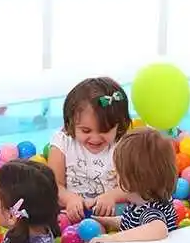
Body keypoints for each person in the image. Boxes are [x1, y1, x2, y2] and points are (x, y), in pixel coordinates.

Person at [47, 76, 132, 223]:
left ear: (119, 125)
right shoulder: (63, 142)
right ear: (70, 123)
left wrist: (112, 196)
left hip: (111, 215)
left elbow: (129, 188)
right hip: (69, 216)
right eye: (86, 131)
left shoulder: (121, 146)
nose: (95, 138)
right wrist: (69, 199)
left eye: (104, 131)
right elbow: (53, 185)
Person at [90, 127, 178, 243]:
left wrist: (111, 239)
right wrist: (107, 221)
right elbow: (133, 223)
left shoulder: (150, 212)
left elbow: (159, 230)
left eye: (118, 173)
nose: (115, 176)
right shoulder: (142, 201)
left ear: (131, 181)